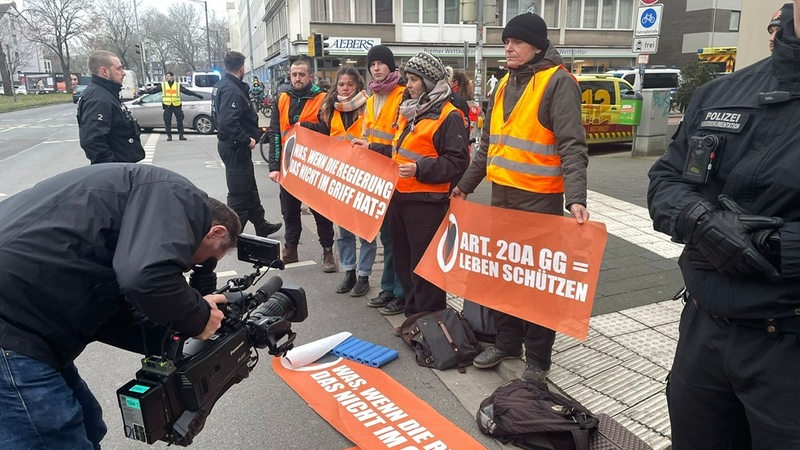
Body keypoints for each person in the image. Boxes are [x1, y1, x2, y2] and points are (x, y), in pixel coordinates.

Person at [647, 1, 800, 447]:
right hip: (704, 334)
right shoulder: (722, 93)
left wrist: (773, 247)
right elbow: (666, 180)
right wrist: (699, 221)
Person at [0, 164, 239, 449]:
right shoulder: (180, 196)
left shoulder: (137, 214)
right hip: (12, 325)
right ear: (215, 231)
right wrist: (198, 316)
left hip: (30, 321)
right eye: (206, 258)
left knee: (88, 423)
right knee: (54, 439)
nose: (193, 265)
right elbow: (146, 277)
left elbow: (112, 313)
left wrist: (177, 333)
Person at [452, 13, 589, 387]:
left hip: (540, 202)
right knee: (504, 277)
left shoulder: (558, 83)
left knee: (537, 283)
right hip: (503, 199)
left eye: (517, 42)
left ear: (538, 47)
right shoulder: (502, 86)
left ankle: (539, 360)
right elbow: (487, 146)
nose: (508, 48)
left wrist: (575, 197)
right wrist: (465, 185)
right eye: (506, 42)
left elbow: (572, 145)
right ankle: (508, 344)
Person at [385, 51, 469, 317]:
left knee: (426, 268)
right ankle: (414, 320)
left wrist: (420, 169)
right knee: (405, 263)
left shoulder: (449, 115)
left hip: (427, 204)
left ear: (429, 82)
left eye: (413, 80)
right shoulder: (412, 110)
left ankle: (431, 322)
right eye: (407, 79)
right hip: (400, 197)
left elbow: (457, 161)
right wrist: (371, 147)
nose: (407, 85)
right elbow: (400, 150)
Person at [301, 66, 376, 296]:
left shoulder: (368, 108)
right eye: (342, 84)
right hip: (341, 180)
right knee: (344, 232)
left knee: (365, 231)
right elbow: (323, 136)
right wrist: (301, 126)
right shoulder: (330, 110)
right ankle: (349, 272)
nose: (345, 88)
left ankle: (363, 276)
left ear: (358, 86)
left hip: (363, 178)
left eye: (350, 84)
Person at [351, 45, 406, 314]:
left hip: (398, 174)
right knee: (386, 235)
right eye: (372, 64)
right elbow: (368, 132)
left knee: (397, 237)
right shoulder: (371, 98)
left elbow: (399, 141)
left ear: (391, 66)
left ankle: (399, 292)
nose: (376, 68)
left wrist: (371, 148)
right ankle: (387, 288)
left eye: (381, 63)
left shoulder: (402, 95)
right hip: (379, 174)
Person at [267, 57, 336, 271]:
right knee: (289, 210)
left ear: (310, 77)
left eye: (301, 75)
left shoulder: (323, 98)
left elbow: (327, 130)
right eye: (294, 75)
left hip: (314, 166)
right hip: (289, 165)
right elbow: (275, 134)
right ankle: (291, 248)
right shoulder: (282, 98)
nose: (297, 78)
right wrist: (274, 166)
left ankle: (327, 251)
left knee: (320, 211)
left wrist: (302, 126)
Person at [213, 50, 282, 238]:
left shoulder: (224, 85)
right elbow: (228, 123)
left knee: (249, 187)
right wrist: (247, 139)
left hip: (234, 146)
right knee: (238, 194)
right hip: (235, 146)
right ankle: (230, 235)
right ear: (242, 68)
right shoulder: (232, 89)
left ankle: (261, 224)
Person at [76, 50, 144, 164]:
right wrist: (112, 169)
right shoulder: (99, 99)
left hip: (122, 166)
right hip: (116, 170)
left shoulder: (107, 94)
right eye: (118, 69)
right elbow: (93, 141)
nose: (123, 73)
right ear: (104, 72)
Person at [145, 71, 204, 141]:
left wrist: (196, 95)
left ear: (172, 77)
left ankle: (181, 135)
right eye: (166, 76)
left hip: (177, 105)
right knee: (167, 121)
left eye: (168, 76)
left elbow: (186, 91)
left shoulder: (177, 85)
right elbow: (154, 91)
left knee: (180, 121)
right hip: (167, 106)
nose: (167, 77)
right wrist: (145, 91)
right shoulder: (163, 85)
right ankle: (169, 136)